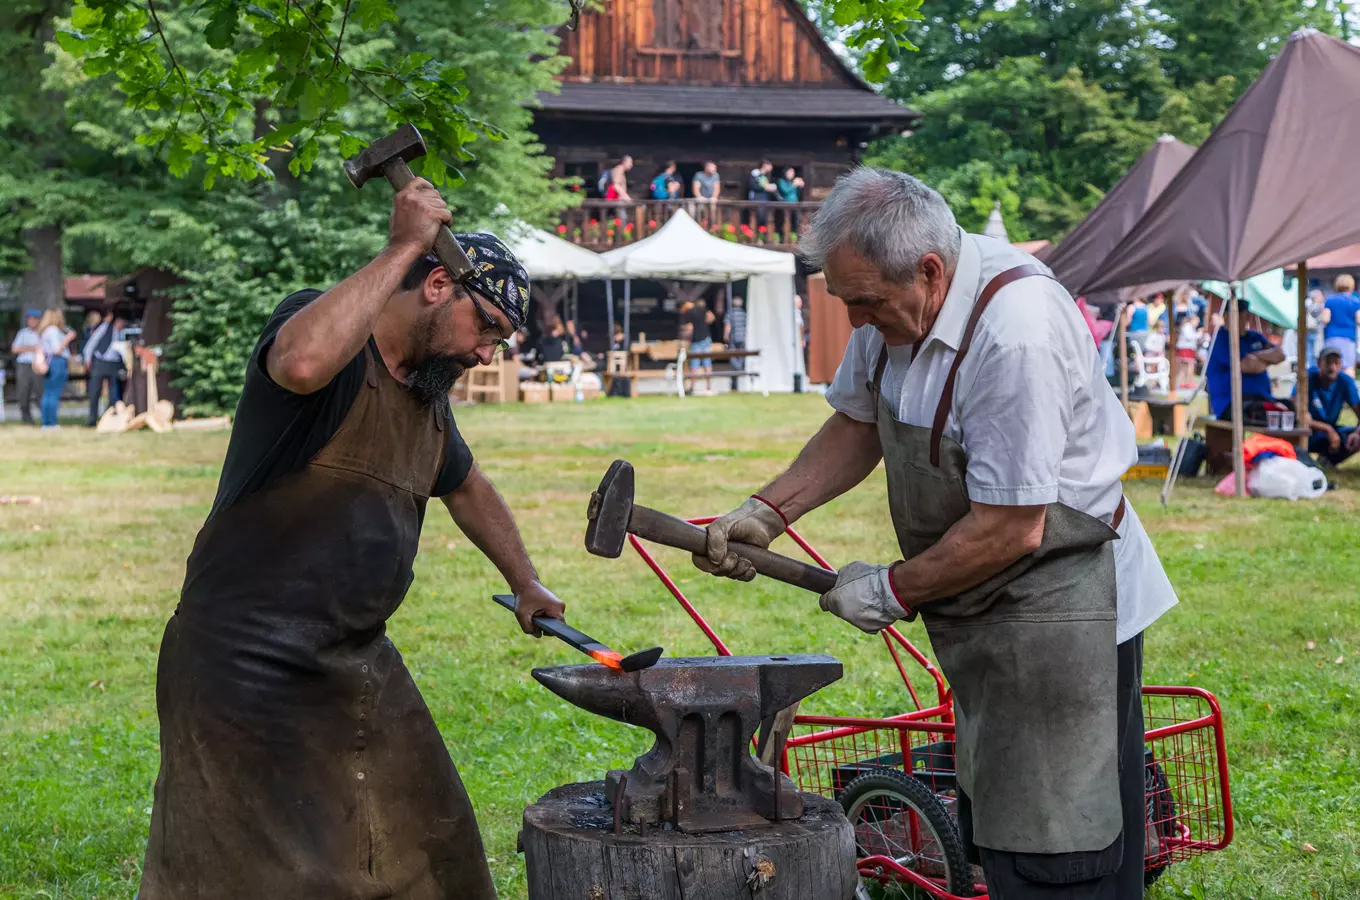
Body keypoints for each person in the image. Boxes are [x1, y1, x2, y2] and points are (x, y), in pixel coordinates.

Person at [694, 168, 1176, 900]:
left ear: (929, 270)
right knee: (1004, 824)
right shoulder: (895, 302)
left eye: (866, 303)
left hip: (1067, 610)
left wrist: (890, 590)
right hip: (985, 601)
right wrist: (769, 510)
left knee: (1062, 845)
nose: (856, 321)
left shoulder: (1016, 335)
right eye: (846, 301)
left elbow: (1012, 527)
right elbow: (859, 421)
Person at [138, 178, 564, 900]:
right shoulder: (325, 342)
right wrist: (401, 243)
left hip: (355, 665)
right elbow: (299, 364)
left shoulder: (424, 400)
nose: (487, 354)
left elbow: (467, 487)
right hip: (241, 665)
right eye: (486, 327)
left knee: (434, 849)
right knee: (257, 875)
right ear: (437, 286)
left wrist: (526, 580)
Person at [1206, 298, 1286, 421]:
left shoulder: (1254, 336)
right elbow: (1246, 366)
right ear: (1227, 316)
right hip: (1232, 402)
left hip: (1262, 397)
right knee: (1271, 414)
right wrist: (1267, 361)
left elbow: (1280, 355)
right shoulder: (1220, 340)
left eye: (1247, 316)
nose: (1245, 320)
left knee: (1290, 408)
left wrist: (1256, 356)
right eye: (1241, 316)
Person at [1302, 345, 1360, 466]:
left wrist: (1357, 433)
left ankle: (1329, 460)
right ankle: (1302, 459)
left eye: (1336, 363)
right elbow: (1300, 414)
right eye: (1328, 363)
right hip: (1309, 430)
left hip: (1333, 432)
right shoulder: (1308, 378)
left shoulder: (1345, 381)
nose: (1332, 367)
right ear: (1319, 363)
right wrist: (1327, 429)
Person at [84, 311, 126, 426]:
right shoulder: (105, 328)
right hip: (100, 362)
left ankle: (111, 418)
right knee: (95, 392)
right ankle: (92, 419)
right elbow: (92, 342)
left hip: (114, 364)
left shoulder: (121, 333)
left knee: (113, 393)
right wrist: (87, 358)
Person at [37, 309, 76, 429]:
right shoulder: (53, 331)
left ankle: (46, 422)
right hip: (57, 362)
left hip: (50, 362)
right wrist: (68, 338)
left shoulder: (45, 331)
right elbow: (57, 349)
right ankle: (52, 422)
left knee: (48, 393)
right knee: (54, 393)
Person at [1321, 274, 1360, 375]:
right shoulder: (1355, 301)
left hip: (1331, 337)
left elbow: (1325, 319)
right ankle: (1348, 389)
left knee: (1331, 365)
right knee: (1348, 367)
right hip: (1348, 338)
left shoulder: (1329, 300)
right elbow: (1359, 320)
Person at [9, 309, 42, 425]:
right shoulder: (23, 333)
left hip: (38, 364)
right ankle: (26, 418)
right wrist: (31, 348)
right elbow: (15, 349)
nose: (31, 321)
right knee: (23, 391)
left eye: (33, 319)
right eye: (29, 319)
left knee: (40, 391)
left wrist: (26, 348)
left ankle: (45, 417)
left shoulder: (42, 333)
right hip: (24, 365)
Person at [680, 298, 715, 394]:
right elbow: (711, 317)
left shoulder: (690, 312)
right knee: (707, 363)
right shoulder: (704, 310)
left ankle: (692, 387)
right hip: (706, 339)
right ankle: (708, 387)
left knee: (694, 365)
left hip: (696, 340)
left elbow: (688, 327)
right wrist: (706, 322)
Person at [746, 159, 777, 228]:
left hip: (764, 199)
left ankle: (761, 235)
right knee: (756, 217)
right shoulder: (756, 174)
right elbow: (752, 185)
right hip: (756, 198)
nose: (771, 167)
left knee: (764, 218)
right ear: (764, 165)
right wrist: (765, 187)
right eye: (770, 165)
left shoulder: (765, 176)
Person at [1174, 312, 1200, 390]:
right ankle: (1188, 382)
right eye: (1197, 322)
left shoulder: (1189, 327)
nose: (1197, 324)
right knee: (1189, 365)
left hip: (1188, 348)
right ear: (1192, 320)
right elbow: (1189, 337)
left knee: (1185, 366)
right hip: (1186, 348)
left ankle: (1183, 382)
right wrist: (1199, 334)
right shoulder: (1187, 326)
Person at [776, 167, 805, 235]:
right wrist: (794, 184)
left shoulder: (791, 182)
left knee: (796, 221)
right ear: (786, 173)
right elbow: (785, 191)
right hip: (786, 205)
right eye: (791, 172)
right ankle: (783, 236)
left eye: (793, 172)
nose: (792, 174)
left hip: (795, 204)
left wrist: (800, 186)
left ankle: (795, 236)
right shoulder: (781, 181)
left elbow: (796, 193)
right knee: (785, 221)